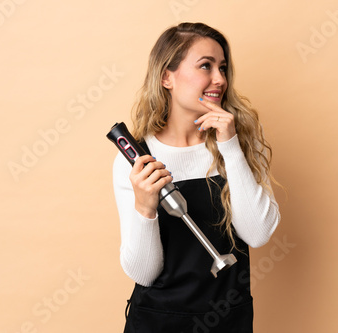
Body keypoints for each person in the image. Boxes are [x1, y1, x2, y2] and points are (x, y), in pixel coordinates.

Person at [112, 22, 281, 333]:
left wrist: (230, 147)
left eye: (223, 68)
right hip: (156, 321)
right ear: (167, 77)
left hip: (228, 320)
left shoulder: (240, 143)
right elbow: (144, 274)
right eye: (206, 66)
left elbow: (257, 234)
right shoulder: (137, 160)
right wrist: (145, 207)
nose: (220, 79)